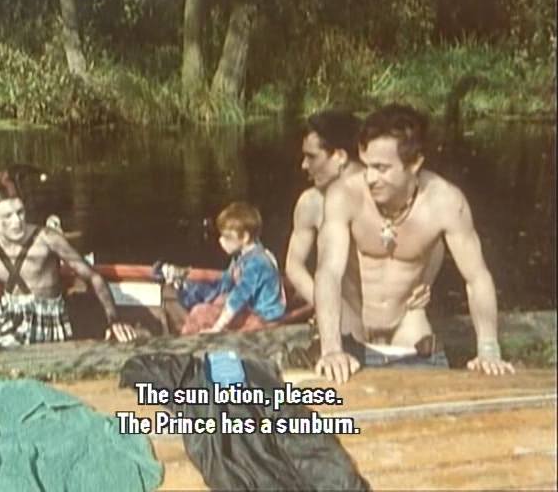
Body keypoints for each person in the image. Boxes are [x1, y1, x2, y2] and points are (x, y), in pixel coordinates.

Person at [313, 103, 516, 383]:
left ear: (414, 163)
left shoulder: (445, 202)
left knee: (433, 395)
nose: (370, 178)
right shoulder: (345, 195)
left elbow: (477, 278)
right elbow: (328, 272)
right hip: (350, 327)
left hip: (407, 324)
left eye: (382, 168)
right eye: (367, 165)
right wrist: (331, 349)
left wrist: (489, 350)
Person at [0, 166, 137, 353]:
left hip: (44, 319)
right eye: (7, 216)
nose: (17, 222)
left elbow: (93, 277)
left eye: (20, 212)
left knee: (2, 348)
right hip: (5, 312)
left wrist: (114, 319)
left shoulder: (47, 238)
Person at [285, 109, 443, 357]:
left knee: (420, 360)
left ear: (340, 156)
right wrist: (325, 305)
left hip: (399, 314)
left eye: (312, 157)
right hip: (347, 311)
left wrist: (424, 282)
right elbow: (294, 265)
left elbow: (434, 238)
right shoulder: (310, 203)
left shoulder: (387, 190)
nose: (304, 165)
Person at [157, 201, 286, 335]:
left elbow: (238, 297)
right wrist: (184, 284)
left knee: (200, 312)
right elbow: (225, 282)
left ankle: (184, 342)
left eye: (227, 237)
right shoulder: (241, 257)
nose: (220, 240)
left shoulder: (257, 263)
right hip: (249, 312)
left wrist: (217, 327)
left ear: (245, 237)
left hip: (263, 319)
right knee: (208, 303)